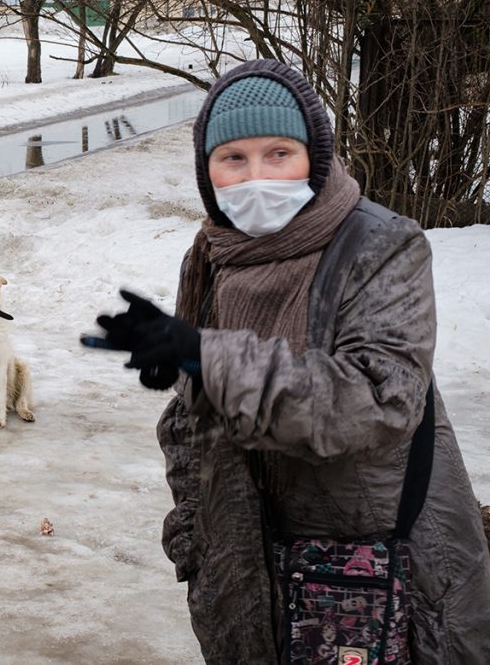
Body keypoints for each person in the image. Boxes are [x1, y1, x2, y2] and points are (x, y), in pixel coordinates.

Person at [83, 60, 490, 662]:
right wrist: (195, 527)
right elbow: (200, 418)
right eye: (234, 158)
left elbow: (377, 402)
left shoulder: (382, 245)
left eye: (279, 153)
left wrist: (208, 357)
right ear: (207, 170)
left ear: (315, 156)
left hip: (377, 567)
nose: (256, 178)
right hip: (248, 561)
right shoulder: (214, 252)